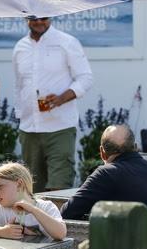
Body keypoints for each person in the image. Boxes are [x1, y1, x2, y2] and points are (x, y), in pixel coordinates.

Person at [13, 16, 93, 192]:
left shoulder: (67, 42)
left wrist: (61, 98)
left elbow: (85, 78)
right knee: (31, 189)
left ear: (51, 17)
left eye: (44, 18)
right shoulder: (20, 47)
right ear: (26, 19)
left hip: (60, 127)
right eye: (34, 18)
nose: (39, 21)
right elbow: (19, 86)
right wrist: (19, 118)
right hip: (29, 129)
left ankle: (57, 220)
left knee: (59, 187)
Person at [60, 125, 147, 220]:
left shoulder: (107, 173)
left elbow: (66, 213)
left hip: (119, 241)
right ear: (135, 147)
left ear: (102, 152)